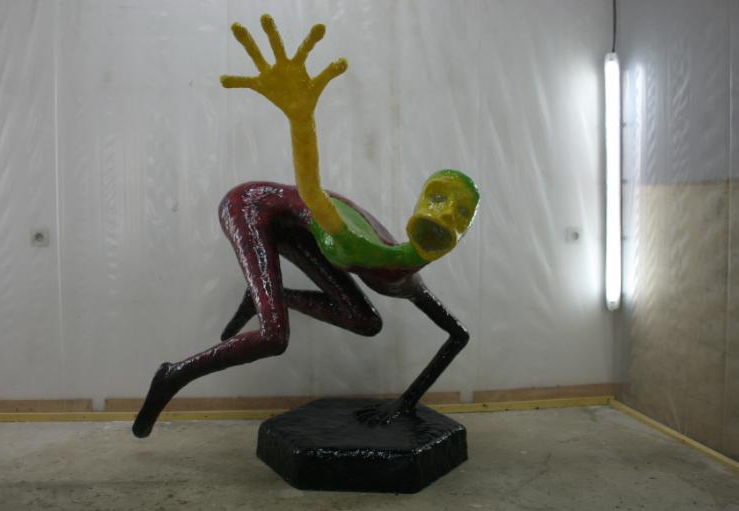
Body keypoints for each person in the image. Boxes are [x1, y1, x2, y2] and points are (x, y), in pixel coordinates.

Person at [133, 15, 480, 438]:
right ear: (421, 201)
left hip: (295, 228)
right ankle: (173, 374)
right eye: (439, 198)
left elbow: (458, 336)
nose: (445, 215)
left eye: (461, 212)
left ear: (465, 230)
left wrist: (404, 403)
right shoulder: (358, 242)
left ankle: (266, 296)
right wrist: (301, 119)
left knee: (366, 321)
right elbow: (311, 191)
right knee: (274, 336)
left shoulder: (407, 281)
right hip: (253, 207)